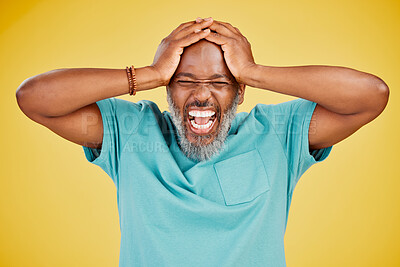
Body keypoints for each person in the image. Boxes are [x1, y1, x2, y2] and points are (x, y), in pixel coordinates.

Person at [16, 17, 389, 267]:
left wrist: (254, 72)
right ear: (166, 88)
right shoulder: (131, 131)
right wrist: (148, 73)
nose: (202, 95)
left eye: (220, 82)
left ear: (241, 92)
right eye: (185, 81)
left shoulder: (277, 134)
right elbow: (33, 98)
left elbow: (371, 95)